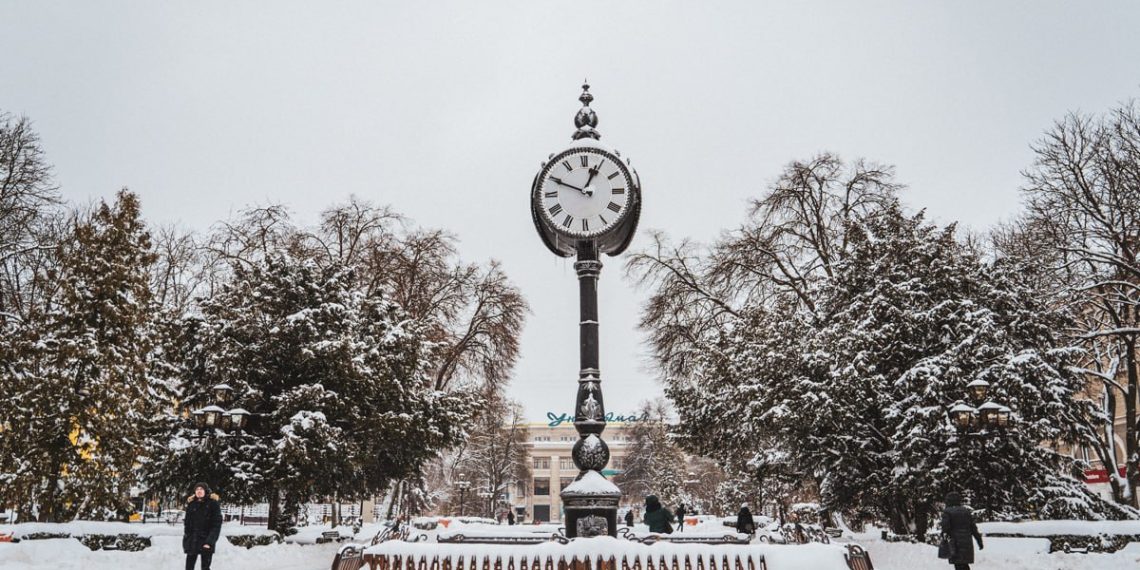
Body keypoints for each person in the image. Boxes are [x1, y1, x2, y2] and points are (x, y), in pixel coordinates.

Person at [183, 482, 222, 570]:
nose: (199, 491)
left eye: (201, 489)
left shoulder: (213, 504)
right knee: (188, 567)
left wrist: (209, 542)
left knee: (205, 567)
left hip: (206, 541)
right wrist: (187, 538)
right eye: (197, 489)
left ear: (206, 491)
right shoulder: (191, 504)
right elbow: (187, 524)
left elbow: (216, 525)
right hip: (193, 541)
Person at [941, 492, 983, 570]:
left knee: (958, 565)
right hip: (967, 543)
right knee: (964, 565)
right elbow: (973, 528)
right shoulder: (966, 511)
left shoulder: (947, 512)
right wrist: (979, 541)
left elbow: (945, 528)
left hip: (955, 543)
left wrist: (944, 538)